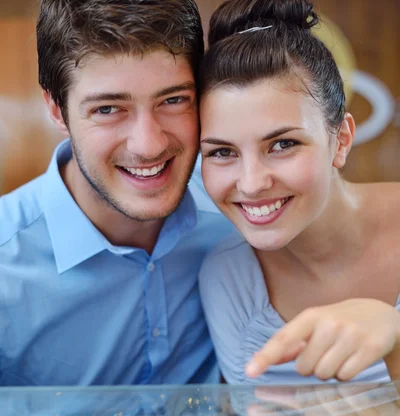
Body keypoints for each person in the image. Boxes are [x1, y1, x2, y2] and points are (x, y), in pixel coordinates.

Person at [0, 0, 233, 387]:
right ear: (57, 110)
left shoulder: (238, 216)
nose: (148, 145)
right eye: (109, 109)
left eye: (173, 100)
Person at [198, 0, 400, 387]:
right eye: (222, 152)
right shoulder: (228, 278)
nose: (252, 183)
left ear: (340, 140)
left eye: (283, 144)